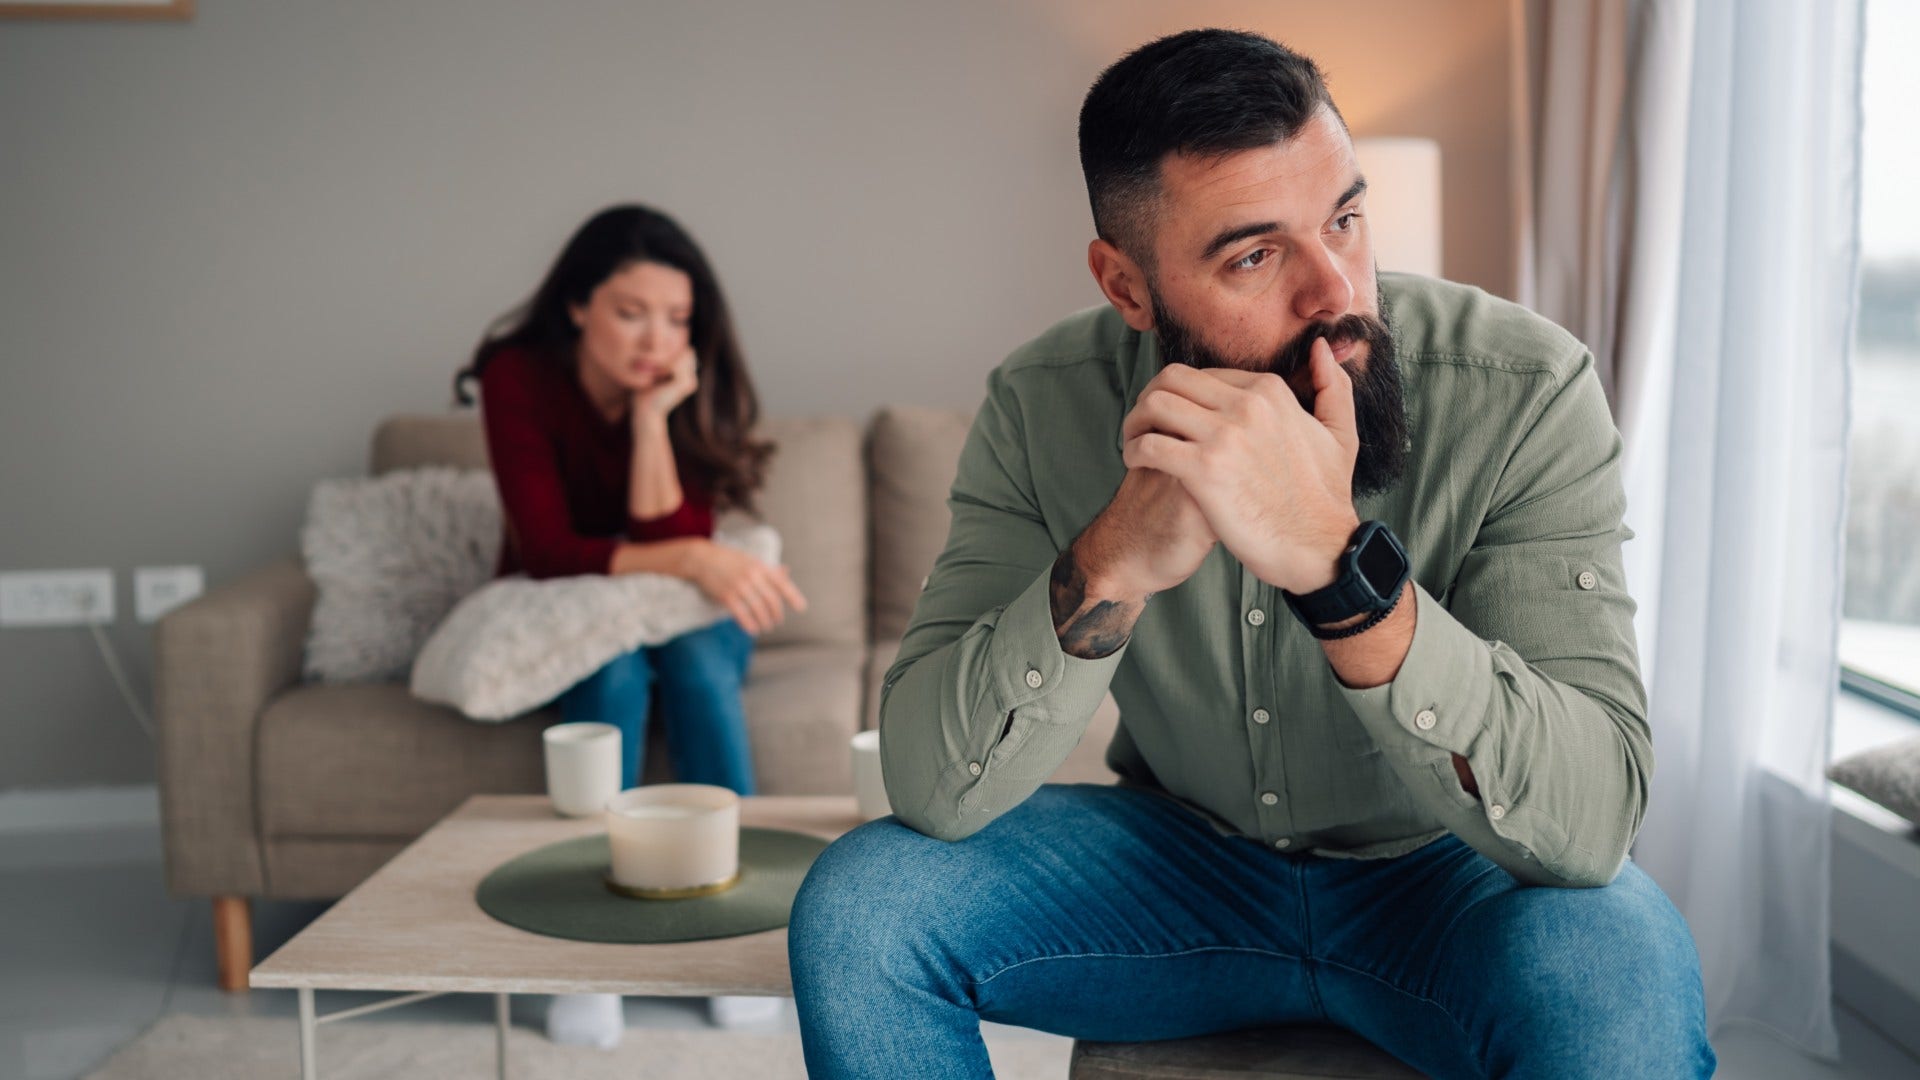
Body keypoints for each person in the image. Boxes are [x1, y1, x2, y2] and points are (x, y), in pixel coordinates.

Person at [787, 29, 1713, 1080]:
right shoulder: (1039, 401)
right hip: (1179, 872)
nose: (1338, 294)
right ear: (1128, 288)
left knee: (1627, 969)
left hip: (1449, 884)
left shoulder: (1525, 391)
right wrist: (1114, 563)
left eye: (1347, 220)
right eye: (1256, 255)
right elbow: (931, 787)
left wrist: (1339, 568)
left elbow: (1592, 823)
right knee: (861, 908)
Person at [458, 204, 805, 1046]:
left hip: (684, 608)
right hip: (580, 599)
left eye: (677, 318)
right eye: (630, 312)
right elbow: (545, 549)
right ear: (579, 304)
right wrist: (692, 559)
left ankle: (740, 931)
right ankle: (585, 949)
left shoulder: (687, 382)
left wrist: (654, 419)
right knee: (615, 673)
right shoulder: (517, 376)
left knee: (690, 661)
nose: (657, 338)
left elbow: (661, 535)